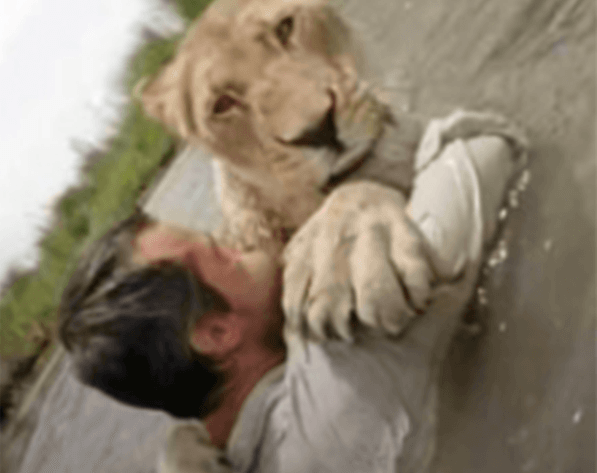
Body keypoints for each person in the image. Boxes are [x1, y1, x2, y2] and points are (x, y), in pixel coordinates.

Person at [58, 114, 525, 472]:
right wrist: (361, 196)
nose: (236, 240)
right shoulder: (348, 346)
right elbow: (491, 146)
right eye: (219, 249)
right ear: (216, 331)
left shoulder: (219, 456)